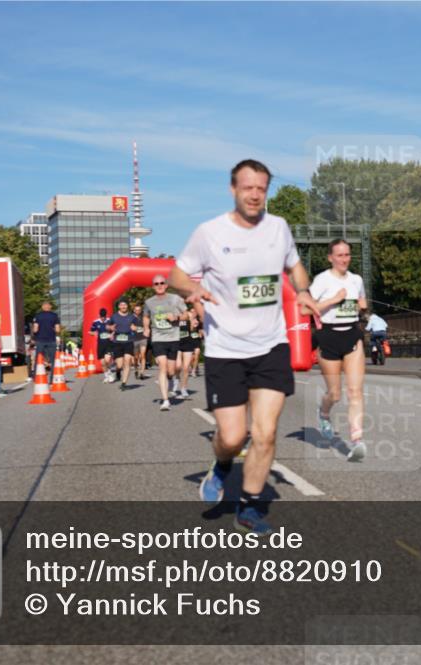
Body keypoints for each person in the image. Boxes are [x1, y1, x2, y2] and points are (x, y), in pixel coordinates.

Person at [169, 158, 322, 534]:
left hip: (271, 345)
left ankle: (250, 507)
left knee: (266, 432)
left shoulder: (279, 228)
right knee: (233, 437)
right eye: (247, 187)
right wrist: (192, 288)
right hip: (225, 349)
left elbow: (295, 265)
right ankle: (222, 466)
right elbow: (175, 273)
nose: (255, 194)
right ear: (233, 189)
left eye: (261, 188)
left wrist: (302, 291)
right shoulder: (209, 233)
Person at [310, 238, 368, 461]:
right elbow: (306, 307)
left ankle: (356, 441)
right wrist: (334, 300)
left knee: (355, 392)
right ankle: (324, 413)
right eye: (340, 255)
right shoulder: (322, 280)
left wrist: (362, 307)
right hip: (328, 337)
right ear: (330, 258)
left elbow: (361, 298)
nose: (344, 259)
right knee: (334, 393)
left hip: (352, 335)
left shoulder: (356, 279)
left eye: (347, 255)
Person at [144, 274, 186, 411]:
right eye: (156, 284)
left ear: (166, 285)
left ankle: (171, 378)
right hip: (158, 338)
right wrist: (146, 328)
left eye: (162, 283)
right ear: (153, 286)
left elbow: (187, 314)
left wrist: (176, 317)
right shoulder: (149, 302)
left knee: (171, 370)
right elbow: (145, 316)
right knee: (162, 366)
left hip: (173, 338)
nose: (159, 285)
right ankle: (165, 400)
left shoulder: (175, 299)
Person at [109, 299, 139, 391]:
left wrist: (135, 328)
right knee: (120, 364)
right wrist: (111, 329)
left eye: (125, 305)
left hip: (128, 341)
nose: (123, 306)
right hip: (117, 342)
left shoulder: (132, 317)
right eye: (121, 305)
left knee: (128, 361)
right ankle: (118, 372)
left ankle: (124, 383)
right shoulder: (114, 316)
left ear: (127, 306)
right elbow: (109, 326)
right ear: (118, 306)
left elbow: (138, 327)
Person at [32, 300, 61, 373]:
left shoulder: (38, 316)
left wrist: (34, 336)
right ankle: (53, 377)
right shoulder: (54, 316)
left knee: (38, 358)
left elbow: (35, 329)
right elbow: (58, 330)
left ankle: (36, 376)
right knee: (53, 359)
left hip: (40, 340)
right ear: (50, 307)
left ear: (42, 307)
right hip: (51, 340)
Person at [89, 308, 115, 382]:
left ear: (106, 315)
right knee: (103, 363)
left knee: (107, 360)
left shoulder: (109, 321)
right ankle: (107, 376)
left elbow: (115, 329)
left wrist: (112, 334)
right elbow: (90, 332)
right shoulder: (95, 322)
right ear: (99, 315)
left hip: (108, 344)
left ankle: (110, 371)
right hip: (100, 344)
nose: (103, 318)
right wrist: (94, 333)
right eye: (101, 316)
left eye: (104, 316)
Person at [132, 303, 149, 380]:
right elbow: (130, 326)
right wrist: (132, 327)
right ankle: (136, 369)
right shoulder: (130, 317)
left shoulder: (143, 317)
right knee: (135, 357)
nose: (138, 311)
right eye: (136, 310)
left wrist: (147, 330)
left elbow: (147, 326)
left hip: (143, 338)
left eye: (139, 310)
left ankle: (142, 373)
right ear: (134, 310)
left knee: (143, 355)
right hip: (134, 339)